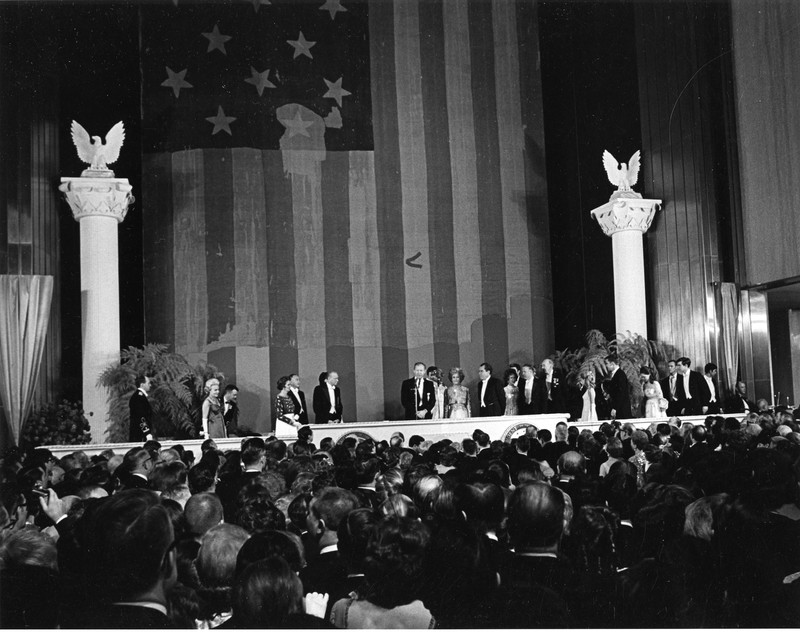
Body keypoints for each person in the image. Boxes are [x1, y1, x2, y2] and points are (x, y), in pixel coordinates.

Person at [604, 354, 632, 419]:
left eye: (606, 363)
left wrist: (615, 408)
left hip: (621, 409)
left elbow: (621, 393)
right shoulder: (616, 375)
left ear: (612, 363)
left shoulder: (620, 375)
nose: (606, 366)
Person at [129, 373, 154, 443]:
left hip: (140, 434)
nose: (150, 385)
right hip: (139, 435)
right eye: (148, 383)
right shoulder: (138, 397)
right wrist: (147, 432)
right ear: (142, 384)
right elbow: (140, 416)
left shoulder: (140, 396)